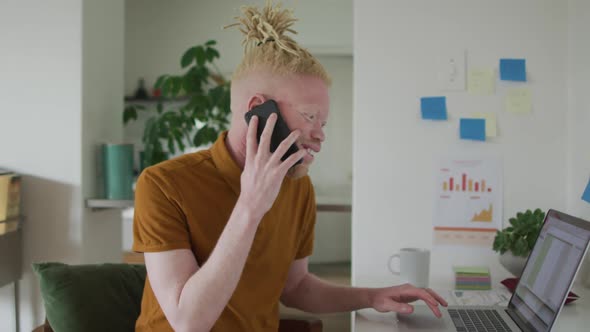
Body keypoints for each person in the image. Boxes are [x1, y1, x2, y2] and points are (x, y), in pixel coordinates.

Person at [132, 1, 448, 331]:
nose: (319, 135)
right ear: (258, 109)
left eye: (323, 123)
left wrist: (371, 296)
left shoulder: (297, 185)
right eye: (310, 116)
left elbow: (296, 288)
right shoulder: (163, 184)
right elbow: (188, 322)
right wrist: (250, 206)